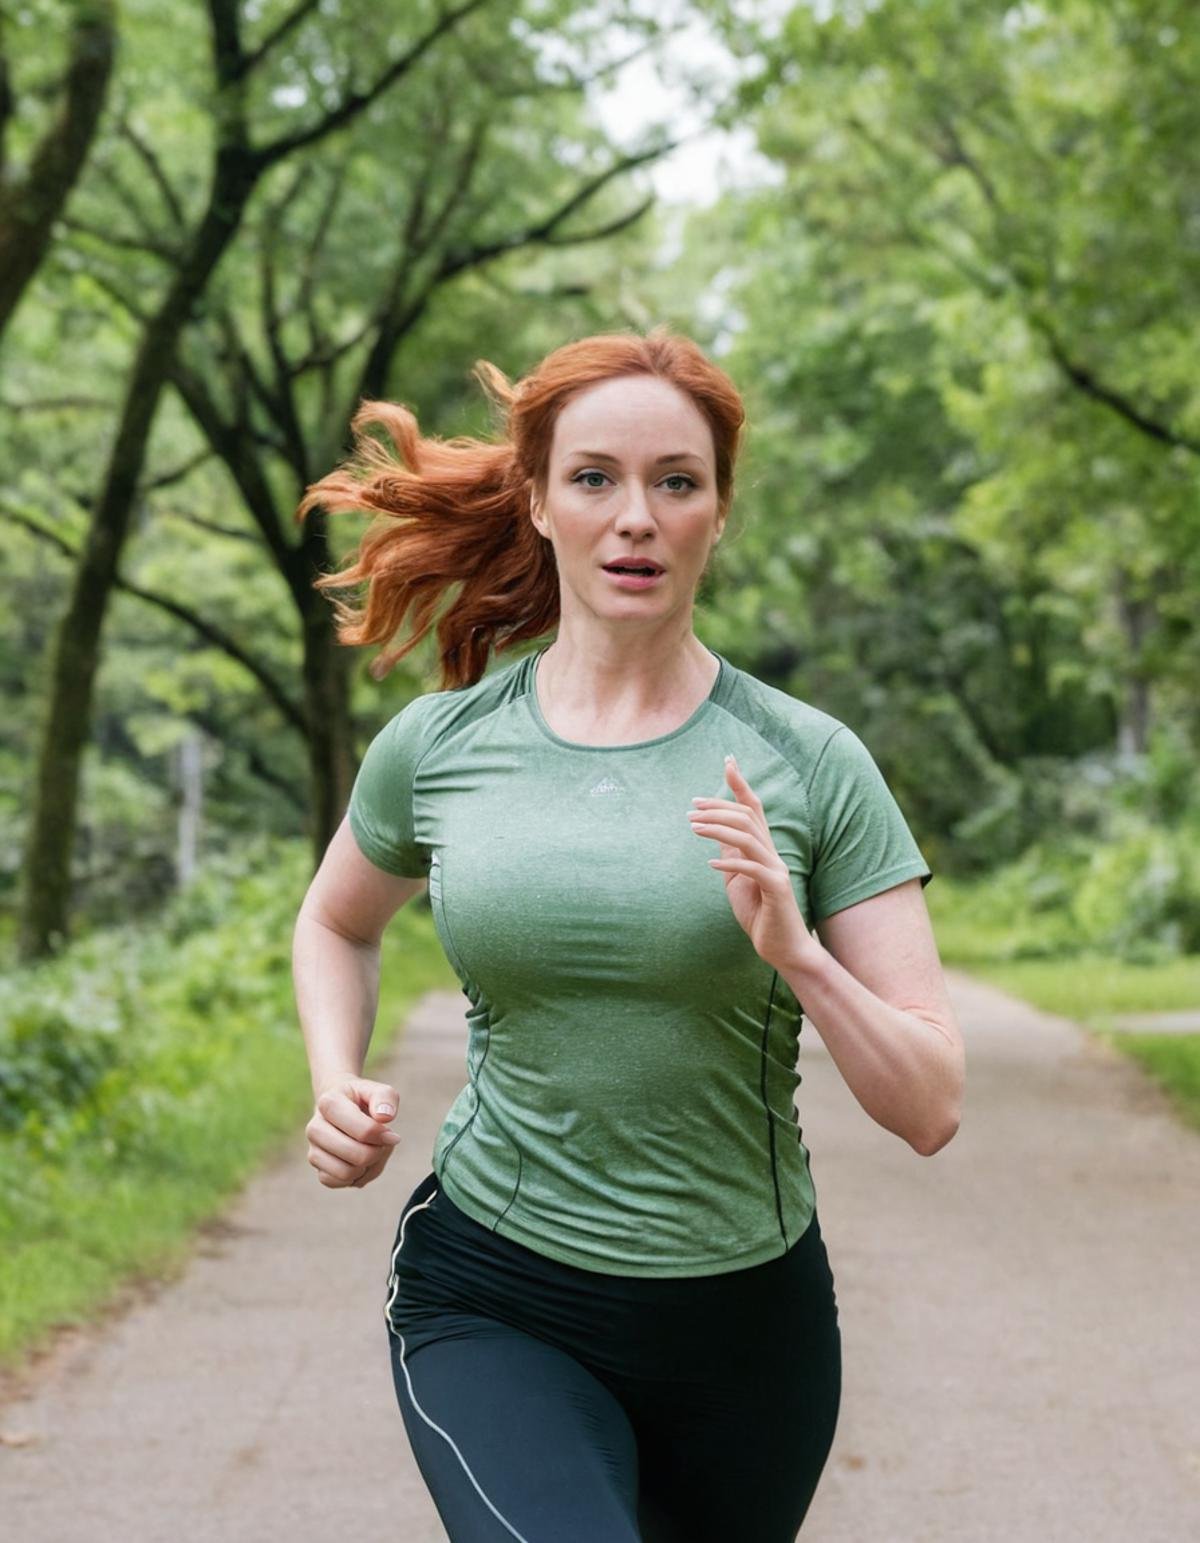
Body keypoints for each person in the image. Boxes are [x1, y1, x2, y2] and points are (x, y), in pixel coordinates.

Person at [291, 326, 966, 1542]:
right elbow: (335, 921)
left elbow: (930, 1105)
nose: (636, 516)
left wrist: (799, 956)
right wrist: (337, 1079)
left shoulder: (810, 764)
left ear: (718, 511)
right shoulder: (440, 747)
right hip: (495, 1291)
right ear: (539, 501)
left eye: (677, 481)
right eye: (595, 477)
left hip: (747, 1334)